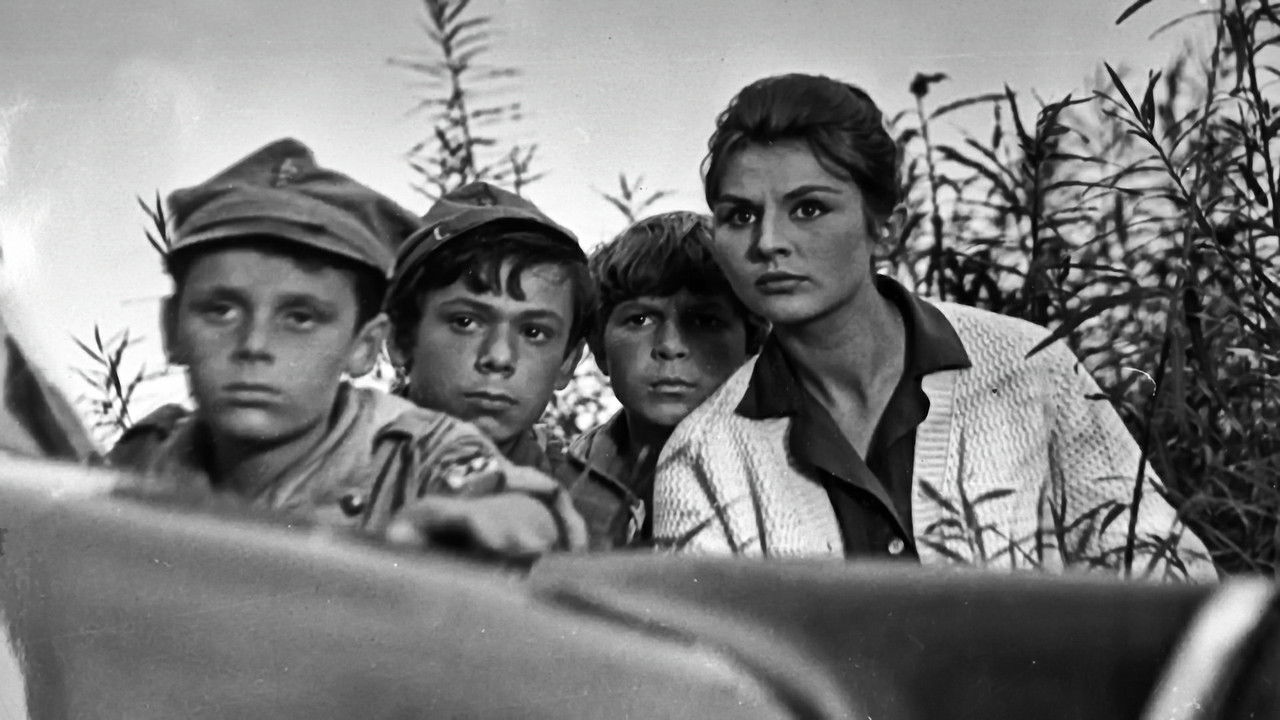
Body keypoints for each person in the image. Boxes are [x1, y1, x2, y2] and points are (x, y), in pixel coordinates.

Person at [652, 74, 1216, 581]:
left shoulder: (1029, 365)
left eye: (809, 208)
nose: (768, 242)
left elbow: (1167, 574)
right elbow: (714, 657)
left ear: (887, 228)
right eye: (740, 215)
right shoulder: (700, 459)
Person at [110, 139, 585, 558]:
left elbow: (517, 503)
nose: (254, 345)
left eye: (300, 317)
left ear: (365, 345)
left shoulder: (415, 448)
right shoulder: (148, 452)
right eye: (221, 310)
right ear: (171, 328)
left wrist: (484, 523)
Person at [564, 211, 765, 548]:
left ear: (750, 347)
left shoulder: (791, 479)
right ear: (600, 348)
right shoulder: (560, 480)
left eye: (705, 321)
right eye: (640, 319)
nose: (670, 346)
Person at [384, 181, 591, 482]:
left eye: (533, 332)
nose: (499, 357)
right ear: (400, 339)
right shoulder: (323, 475)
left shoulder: (587, 503)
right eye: (465, 322)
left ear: (567, 362)